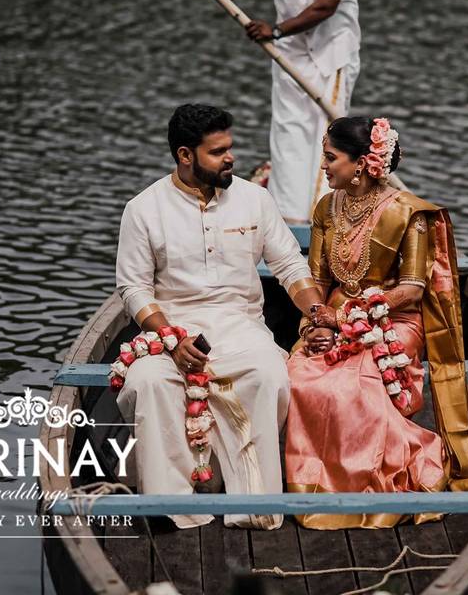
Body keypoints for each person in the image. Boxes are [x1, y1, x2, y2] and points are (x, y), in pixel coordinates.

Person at [114, 104, 327, 530]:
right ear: (185, 155)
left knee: (269, 375)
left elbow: (290, 266)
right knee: (148, 383)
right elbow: (134, 288)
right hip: (172, 329)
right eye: (218, 151)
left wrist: (318, 312)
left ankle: (253, 505)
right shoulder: (144, 209)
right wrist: (172, 340)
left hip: (241, 325)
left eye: (230, 147)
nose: (230, 157)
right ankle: (171, 510)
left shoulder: (255, 199)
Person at [284, 116, 468, 529]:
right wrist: (318, 322)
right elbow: (318, 278)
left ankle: (373, 480)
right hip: (333, 314)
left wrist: (345, 316)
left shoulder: (408, 214)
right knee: (298, 375)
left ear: (361, 164)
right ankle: (312, 484)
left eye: (330, 157)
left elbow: (410, 290)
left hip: (395, 320)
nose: (322, 165)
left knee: (351, 385)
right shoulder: (326, 207)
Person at [170, 0, 363, 224]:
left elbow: (325, 7)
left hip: (331, 54)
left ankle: (325, 221)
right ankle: (291, 223)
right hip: (288, 54)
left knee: (328, 138)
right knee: (288, 138)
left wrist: (275, 30)